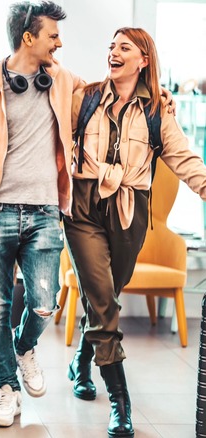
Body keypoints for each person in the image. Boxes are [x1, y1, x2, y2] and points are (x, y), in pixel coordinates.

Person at [0, 1, 83, 427]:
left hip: (45, 211)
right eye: (52, 36)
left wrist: (161, 94)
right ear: (29, 38)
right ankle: (6, 389)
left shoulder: (61, 80)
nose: (59, 43)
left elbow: (107, 90)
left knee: (44, 304)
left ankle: (25, 349)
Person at [65, 27, 206, 438]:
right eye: (111, 46)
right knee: (103, 301)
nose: (113, 51)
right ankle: (121, 402)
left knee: (107, 294)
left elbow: (183, 156)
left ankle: (82, 358)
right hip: (83, 206)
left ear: (143, 59)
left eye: (124, 47)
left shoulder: (158, 111)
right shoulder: (86, 98)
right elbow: (51, 135)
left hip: (130, 210)